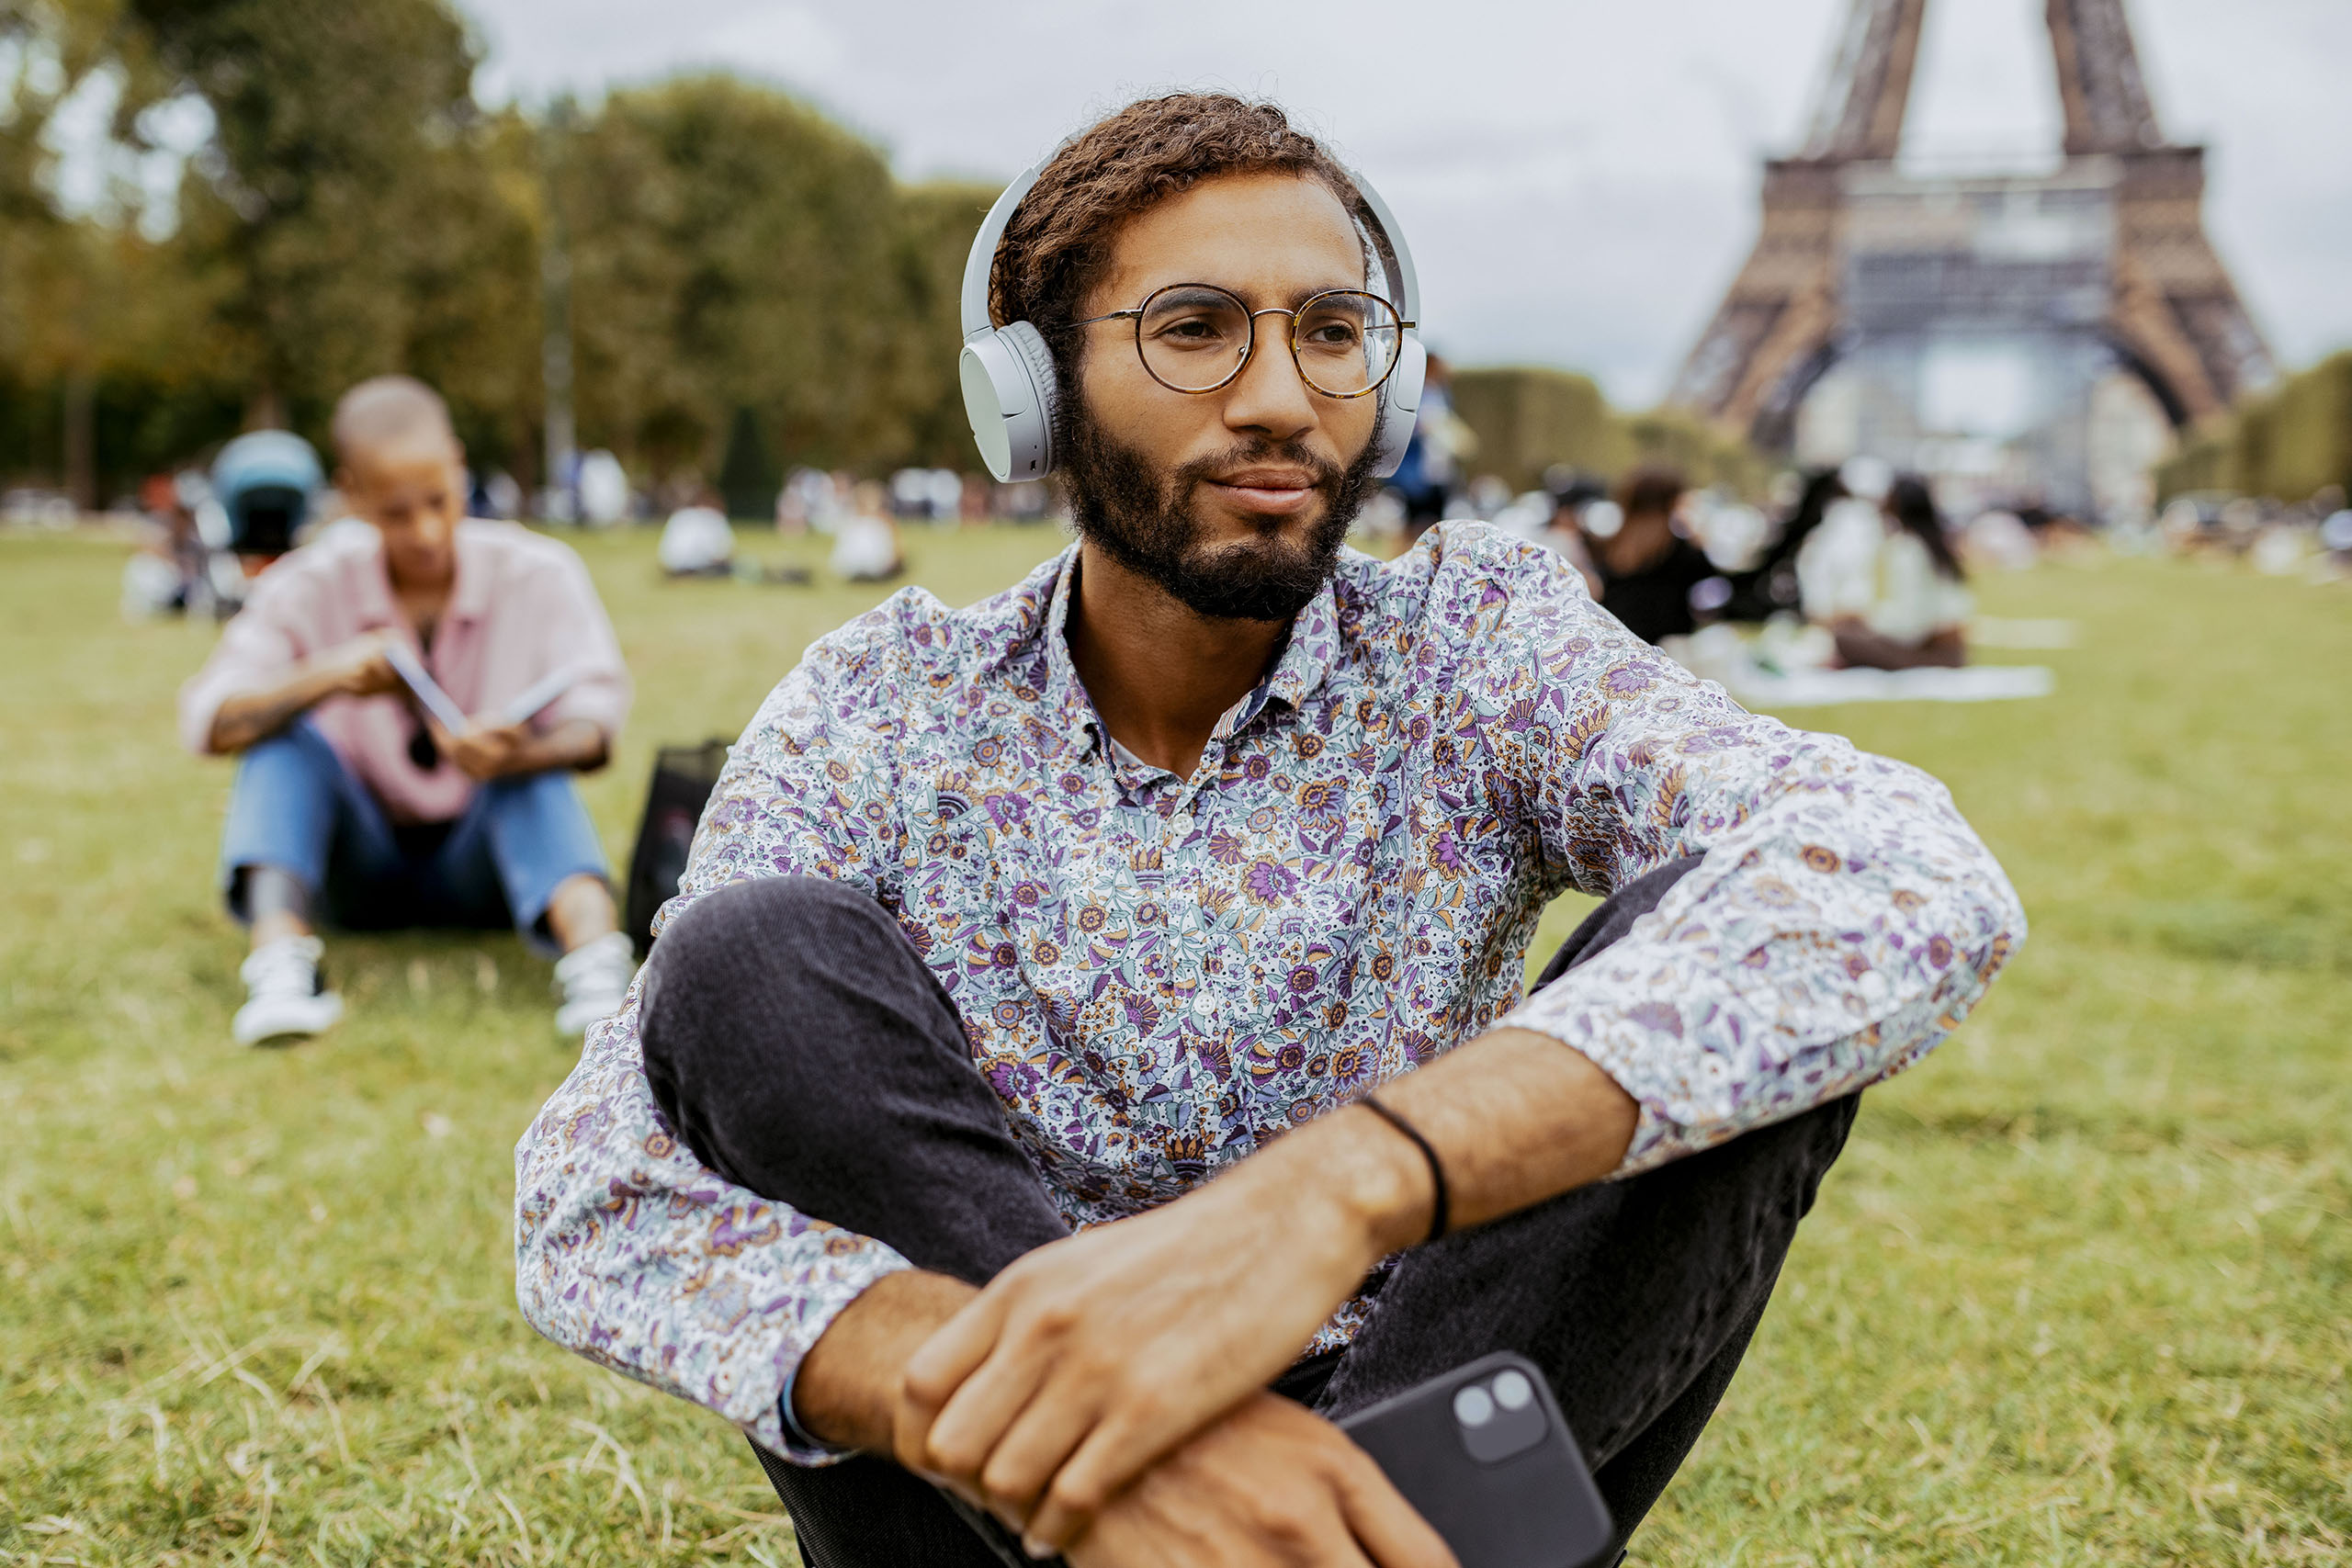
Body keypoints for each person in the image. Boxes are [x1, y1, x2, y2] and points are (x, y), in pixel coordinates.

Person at [514, 95, 2024, 1568]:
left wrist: (1342, 1188)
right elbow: (590, 1193)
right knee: (750, 961)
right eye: (1191, 328)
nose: (1283, 397)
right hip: (1001, 1507)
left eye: (1330, 329)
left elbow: (1900, 866)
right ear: (1028, 388)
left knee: (1735, 952)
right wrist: (1103, 1434)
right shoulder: (885, 702)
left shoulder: (1470, 645)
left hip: (1413, 1454)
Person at [179, 377, 638, 1046]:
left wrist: (522, 751)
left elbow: (597, 724)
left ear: (458, 464)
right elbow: (211, 719)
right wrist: (323, 677)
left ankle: (601, 969)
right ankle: (279, 967)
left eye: (438, 500)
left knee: (527, 764)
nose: (425, 531)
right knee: (284, 739)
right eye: (396, 512)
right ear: (352, 493)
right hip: (356, 868)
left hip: (493, 865)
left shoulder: (540, 571)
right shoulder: (308, 583)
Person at [1811, 475, 1972, 671]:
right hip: (1952, 651)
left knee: (1844, 638)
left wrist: (1863, 618)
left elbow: (1911, 624)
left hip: (1926, 650)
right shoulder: (1936, 546)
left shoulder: (1908, 549)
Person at [1573, 465, 1720, 646]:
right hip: (1663, 648)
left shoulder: (1610, 543)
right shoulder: (1678, 548)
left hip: (1616, 639)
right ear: (1672, 500)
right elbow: (1710, 585)